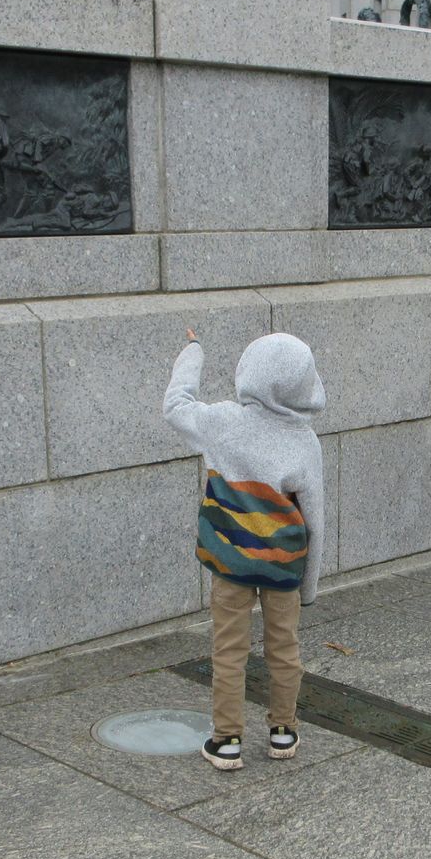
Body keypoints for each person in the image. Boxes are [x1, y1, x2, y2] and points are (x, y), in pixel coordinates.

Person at [164, 328, 326, 770]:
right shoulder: (304, 440)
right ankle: (283, 729)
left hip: (231, 564)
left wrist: (193, 352)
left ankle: (227, 739)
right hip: (284, 570)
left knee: (229, 650)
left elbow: (175, 405)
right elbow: (316, 523)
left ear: (249, 373)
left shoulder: (221, 422)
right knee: (284, 649)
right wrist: (307, 587)